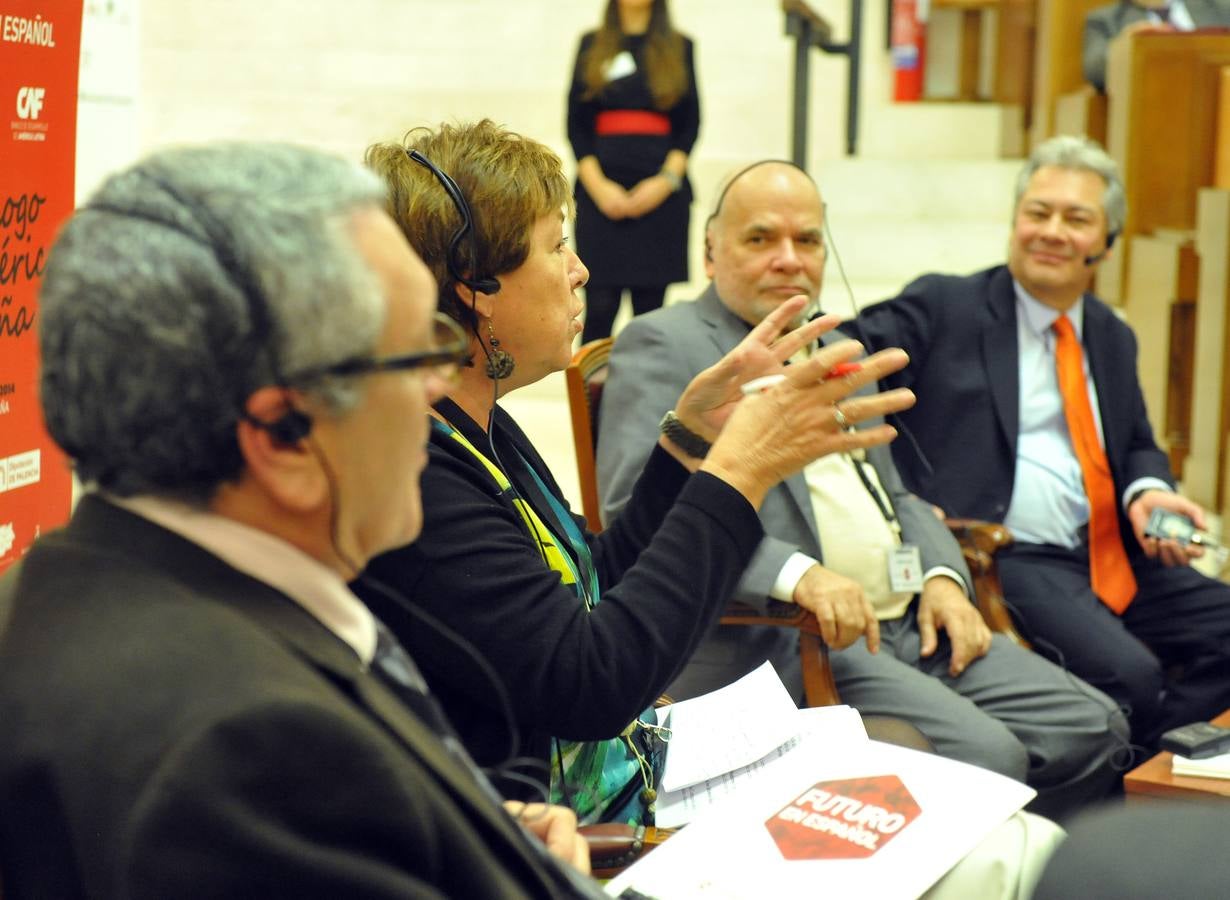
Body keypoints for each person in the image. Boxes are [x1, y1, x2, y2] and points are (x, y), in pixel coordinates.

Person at [0, 142, 603, 898]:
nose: (438, 387)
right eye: (416, 353)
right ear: (284, 436)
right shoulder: (254, 751)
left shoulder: (76, 587)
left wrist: (470, 832)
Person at [360, 120, 915, 826]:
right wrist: (737, 472)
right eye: (556, 246)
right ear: (478, 288)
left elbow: (592, 580)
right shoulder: (416, 469)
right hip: (558, 840)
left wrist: (687, 446)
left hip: (615, 787)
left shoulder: (482, 426)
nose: (580, 270)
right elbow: (590, 685)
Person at [597, 159, 1129, 821]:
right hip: (797, 633)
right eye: (760, 239)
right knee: (994, 755)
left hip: (908, 621)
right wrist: (800, 577)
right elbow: (634, 510)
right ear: (711, 252)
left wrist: (941, 575)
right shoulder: (665, 342)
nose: (789, 260)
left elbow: (899, 497)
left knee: (1095, 728)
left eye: (809, 241)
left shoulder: (841, 347)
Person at [853, 135, 1230, 752]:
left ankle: (1149, 765)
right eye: (1038, 212)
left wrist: (1149, 492)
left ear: (1105, 243)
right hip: (1011, 555)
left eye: (1076, 219)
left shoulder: (1110, 333)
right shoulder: (947, 305)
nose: (1052, 231)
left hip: (1111, 550)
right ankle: (1117, 792)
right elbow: (848, 346)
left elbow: (1135, 442)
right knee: (1132, 674)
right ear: (1014, 223)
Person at [568, 0, 699, 342]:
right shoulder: (591, 44)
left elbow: (689, 126)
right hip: (601, 195)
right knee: (598, 308)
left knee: (650, 314)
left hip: (661, 198)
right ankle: (588, 397)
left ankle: (648, 395)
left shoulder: (680, 46)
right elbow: (577, 125)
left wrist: (664, 183)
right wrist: (598, 187)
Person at [1083, 0, 1230, 91]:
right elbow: (1095, 71)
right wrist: (1123, 46)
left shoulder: (1219, 7)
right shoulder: (1106, 20)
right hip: (1148, 107)